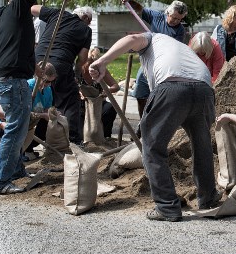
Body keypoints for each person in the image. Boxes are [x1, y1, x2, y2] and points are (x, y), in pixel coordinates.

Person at [89, 32, 220, 222]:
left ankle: (167, 207)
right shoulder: (179, 47)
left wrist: (102, 61)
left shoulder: (153, 38)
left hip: (173, 86)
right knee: (202, 146)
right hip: (204, 90)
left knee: (152, 147)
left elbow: (131, 39)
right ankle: (208, 199)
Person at [0, 0, 72, 195]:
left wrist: (37, 71)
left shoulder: (4, 20)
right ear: (18, 2)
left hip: (8, 78)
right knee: (15, 127)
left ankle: (16, 170)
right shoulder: (16, 9)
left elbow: (19, 50)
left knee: (19, 125)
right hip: (11, 80)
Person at [120, 0, 189, 118]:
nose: (176, 21)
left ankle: (158, 121)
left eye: (179, 19)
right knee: (140, 93)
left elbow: (174, 50)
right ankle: (143, 122)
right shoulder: (157, 16)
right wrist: (129, 1)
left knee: (160, 96)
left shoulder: (179, 31)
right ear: (168, 12)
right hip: (149, 60)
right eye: (174, 18)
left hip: (165, 64)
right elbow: (140, 9)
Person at [33, 5, 94, 146]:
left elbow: (32, 8)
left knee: (44, 101)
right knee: (71, 100)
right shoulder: (85, 30)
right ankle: (72, 141)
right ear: (85, 17)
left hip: (36, 62)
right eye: (89, 20)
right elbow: (83, 58)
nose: (89, 23)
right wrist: (77, 73)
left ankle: (36, 141)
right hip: (59, 64)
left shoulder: (57, 14)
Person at [81, 48, 120, 138]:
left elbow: (115, 86)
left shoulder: (101, 70)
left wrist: (106, 92)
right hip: (82, 102)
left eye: (94, 64)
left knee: (109, 109)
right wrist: (79, 93)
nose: (91, 67)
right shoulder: (78, 70)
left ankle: (105, 137)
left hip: (98, 102)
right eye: (89, 63)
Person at [23, 63, 57, 161]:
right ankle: (25, 150)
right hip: (26, 121)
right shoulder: (28, 86)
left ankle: (28, 149)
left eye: (51, 82)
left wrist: (52, 113)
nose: (48, 85)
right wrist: (43, 115)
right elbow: (23, 113)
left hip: (36, 121)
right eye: (46, 81)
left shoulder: (48, 90)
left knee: (49, 124)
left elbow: (47, 107)